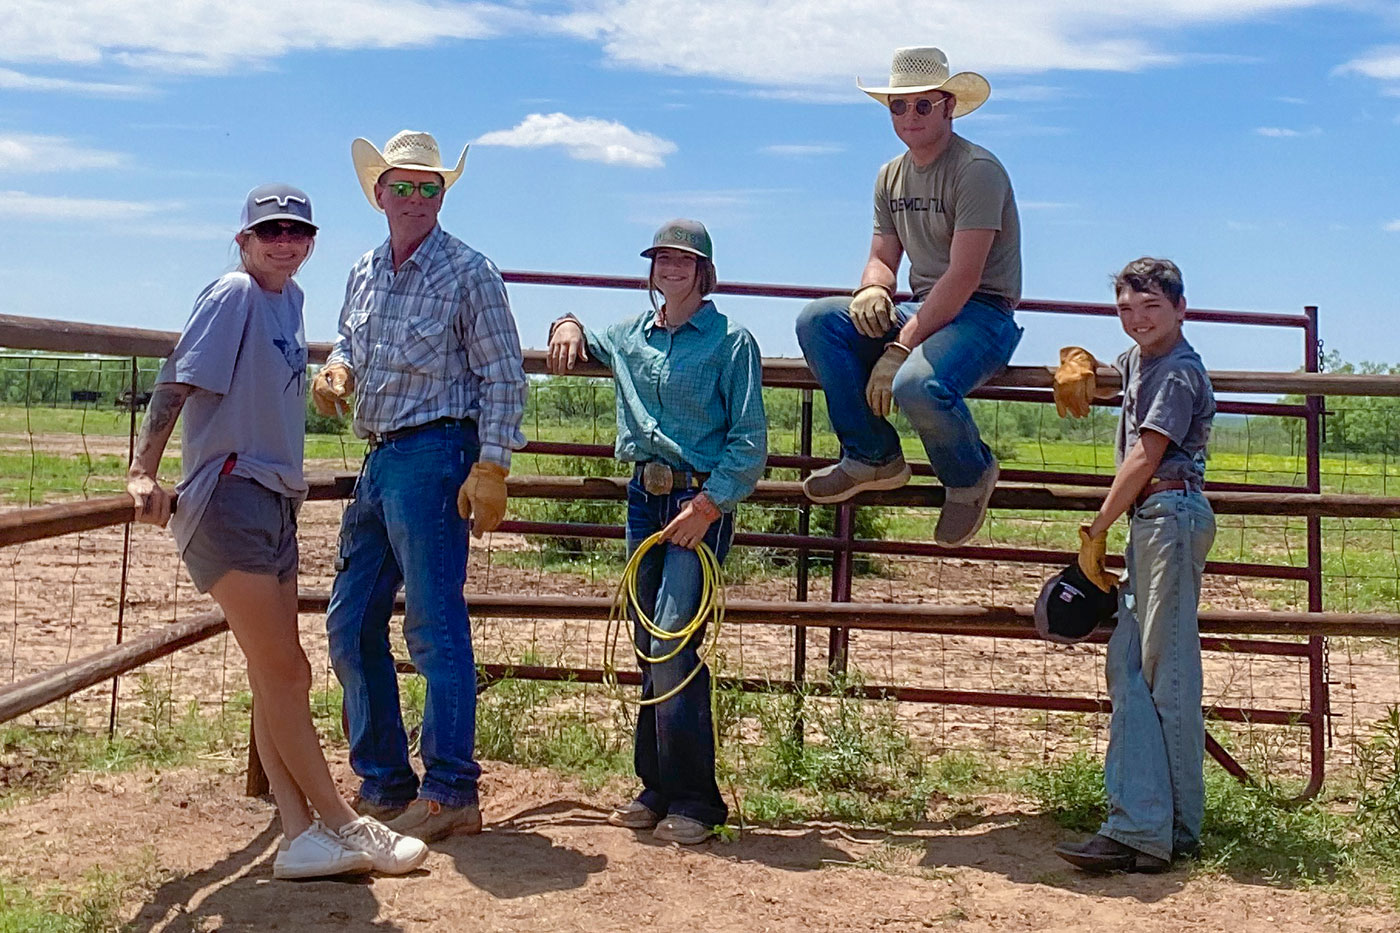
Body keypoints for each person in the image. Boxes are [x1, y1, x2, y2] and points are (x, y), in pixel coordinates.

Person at [126, 184, 428, 880]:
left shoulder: (289, 302)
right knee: (288, 669)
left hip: (273, 497)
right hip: (228, 494)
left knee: (275, 672)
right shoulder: (233, 294)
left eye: (297, 231)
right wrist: (142, 470)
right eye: (270, 232)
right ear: (244, 241)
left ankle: (298, 834)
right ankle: (347, 825)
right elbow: (177, 380)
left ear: (310, 242)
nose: (284, 242)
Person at [312, 131, 528, 842]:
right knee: (349, 621)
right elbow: (350, 337)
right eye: (400, 186)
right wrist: (339, 368)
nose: (412, 198)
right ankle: (384, 779)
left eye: (426, 187)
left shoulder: (470, 271)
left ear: (443, 196)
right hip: (380, 456)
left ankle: (450, 788)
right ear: (378, 193)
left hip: (437, 452)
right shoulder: (364, 270)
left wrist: (490, 463)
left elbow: (503, 375)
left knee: (433, 626)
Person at [547, 219, 767, 844]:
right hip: (645, 498)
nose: (670, 268)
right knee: (650, 643)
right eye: (661, 259)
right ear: (652, 270)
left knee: (672, 639)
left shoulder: (732, 342)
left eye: (683, 260)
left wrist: (709, 505)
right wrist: (563, 323)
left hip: (699, 502)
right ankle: (658, 787)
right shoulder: (628, 335)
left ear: (703, 272)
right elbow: (582, 334)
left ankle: (696, 798)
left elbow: (750, 442)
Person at [795, 45, 1022, 545]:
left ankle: (969, 475)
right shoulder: (889, 176)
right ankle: (873, 456)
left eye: (923, 104)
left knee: (916, 384)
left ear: (948, 105)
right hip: (925, 307)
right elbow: (882, 256)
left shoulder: (977, 169)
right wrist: (872, 288)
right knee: (818, 321)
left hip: (984, 313)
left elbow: (964, 277)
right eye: (900, 105)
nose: (910, 115)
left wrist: (900, 349)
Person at [1050, 257, 1216, 873]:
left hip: (1167, 514)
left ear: (1180, 309)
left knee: (1162, 674)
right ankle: (1159, 825)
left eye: (1150, 308)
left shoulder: (1175, 372)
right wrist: (1078, 362)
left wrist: (1097, 527)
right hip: (1157, 522)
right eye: (1126, 308)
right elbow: (1104, 369)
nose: (1137, 320)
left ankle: (1157, 829)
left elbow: (1146, 455)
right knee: (1135, 665)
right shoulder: (1144, 360)